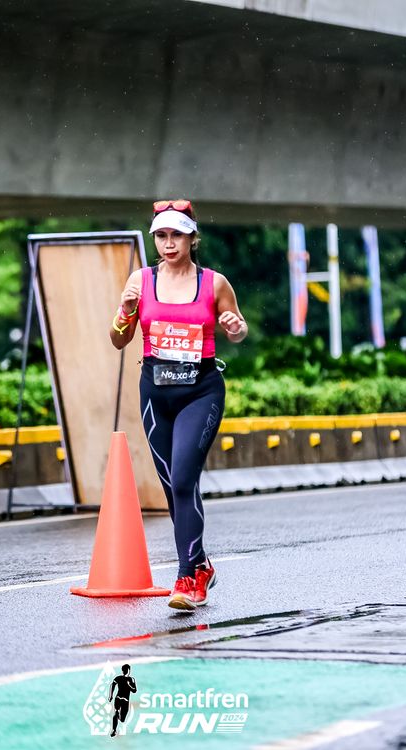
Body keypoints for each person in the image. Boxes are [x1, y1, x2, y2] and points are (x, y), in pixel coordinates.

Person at [110, 200, 247, 611]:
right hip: (155, 394)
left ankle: (187, 578)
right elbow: (118, 340)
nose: (169, 244)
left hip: (200, 392)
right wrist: (125, 312)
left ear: (192, 238)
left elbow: (237, 330)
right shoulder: (140, 280)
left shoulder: (214, 283)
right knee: (172, 487)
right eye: (161, 236)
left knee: (185, 479)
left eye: (177, 235)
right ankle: (201, 564)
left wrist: (235, 327)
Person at [108, 663, 137, 737]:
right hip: (123, 700)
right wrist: (129, 685)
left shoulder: (123, 678)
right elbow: (134, 690)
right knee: (119, 715)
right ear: (128, 670)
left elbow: (112, 685)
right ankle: (114, 729)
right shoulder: (128, 679)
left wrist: (111, 696)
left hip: (119, 699)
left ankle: (115, 726)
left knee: (121, 717)